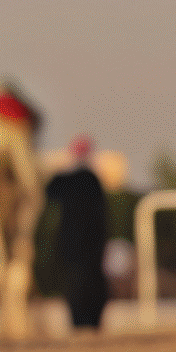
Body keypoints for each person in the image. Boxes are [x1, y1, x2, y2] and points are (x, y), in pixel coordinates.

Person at [44, 137, 110, 329]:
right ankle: (87, 321)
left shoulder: (69, 179)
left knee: (79, 282)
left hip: (75, 243)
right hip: (86, 243)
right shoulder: (91, 179)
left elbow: (48, 191)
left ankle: (82, 321)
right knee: (86, 281)